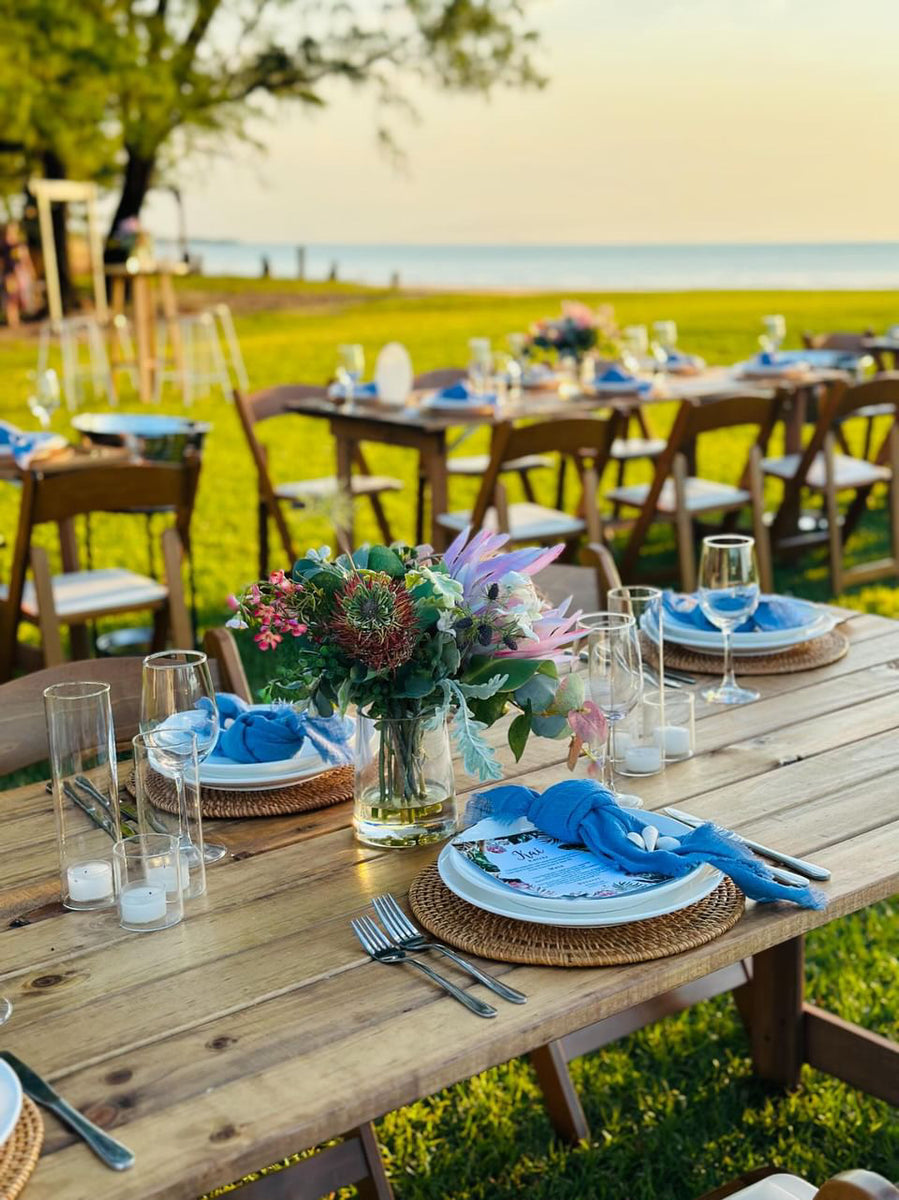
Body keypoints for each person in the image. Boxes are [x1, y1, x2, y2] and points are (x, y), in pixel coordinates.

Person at [1, 221, 36, 328]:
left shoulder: (20, 245)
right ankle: (13, 322)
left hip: (21, 274)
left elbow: (26, 259)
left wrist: (31, 270)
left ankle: (19, 319)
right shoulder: (3, 246)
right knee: (11, 298)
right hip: (9, 274)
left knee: (20, 297)